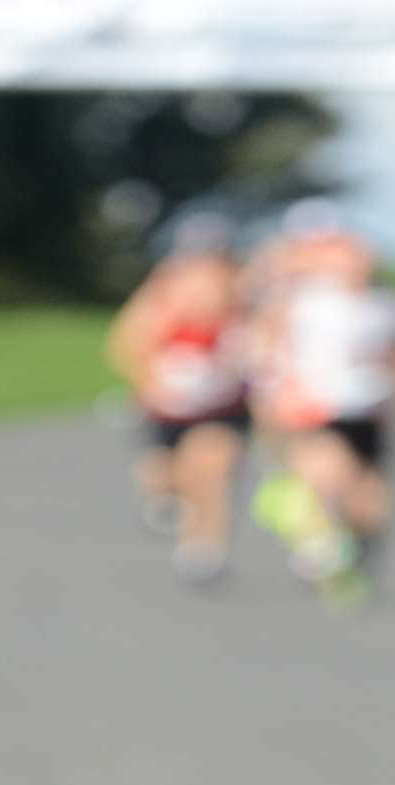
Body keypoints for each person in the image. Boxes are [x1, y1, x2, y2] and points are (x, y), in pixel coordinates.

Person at [250, 205, 395, 602]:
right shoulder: (301, 299)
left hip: (368, 411)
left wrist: (394, 380)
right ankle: (312, 539)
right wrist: (274, 394)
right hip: (313, 407)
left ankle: (349, 556)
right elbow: (265, 345)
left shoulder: (385, 303)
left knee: (371, 506)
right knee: (329, 474)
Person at [108, 225, 250, 584]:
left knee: (211, 469)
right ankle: (168, 504)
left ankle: (205, 549)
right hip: (168, 410)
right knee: (166, 477)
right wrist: (152, 385)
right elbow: (125, 347)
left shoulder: (245, 300)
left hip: (222, 409)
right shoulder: (158, 301)